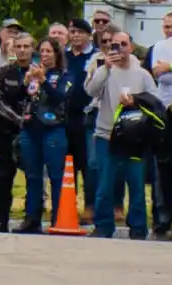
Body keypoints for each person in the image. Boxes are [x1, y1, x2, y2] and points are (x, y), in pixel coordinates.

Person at [86, 27, 157, 239]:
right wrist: (105, 68)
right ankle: (103, 225)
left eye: (124, 45)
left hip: (133, 137)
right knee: (105, 184)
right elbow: (89, 91)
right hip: (106, 134)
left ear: (132, 47)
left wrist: (135, 101)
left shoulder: (142, 74)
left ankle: (138, 228)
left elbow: (155, 102)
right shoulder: (104, 70)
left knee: (135, 184)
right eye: (114, 45)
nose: (120, 49)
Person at [18, 35, 70, 232]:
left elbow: (61, 98)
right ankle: (32, 218)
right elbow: (22, 98)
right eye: (43, 51)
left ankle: (58, 217)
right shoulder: (32, 73)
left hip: (53, 128)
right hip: (31, 129)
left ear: (56, 54)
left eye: (49, 51)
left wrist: (44, 80)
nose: (45, 55)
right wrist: (26, 84)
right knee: (32, 176)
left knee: (56, 176)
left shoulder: (64, 75)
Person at [0, 31, 35, 233]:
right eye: (18, 47)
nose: (22, 50)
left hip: (33, 134)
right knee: (4, 177)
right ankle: (1, 220)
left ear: (33, 49)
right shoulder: (2, 72)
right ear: (12, 49)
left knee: (33, 177)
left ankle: (32, 219)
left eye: (26, 46)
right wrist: (18, 120)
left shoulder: (39, 72)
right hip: (5, 132)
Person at [147, 5, 172, 235]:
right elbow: (159, 74)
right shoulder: (160, 46)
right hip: (165, 111)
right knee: (162, 167)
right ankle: (162, 218)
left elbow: (167, 71)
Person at [63, 18, 98, 221]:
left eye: (80, 32)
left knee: (88, 164)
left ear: (88, 35)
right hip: (64, 116)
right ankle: (67, 204)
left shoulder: (95, 56)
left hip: (86, 117)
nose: (75, 35)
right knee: (67, 163)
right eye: (72, 31)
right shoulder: (64, 56)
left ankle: (90, 206)